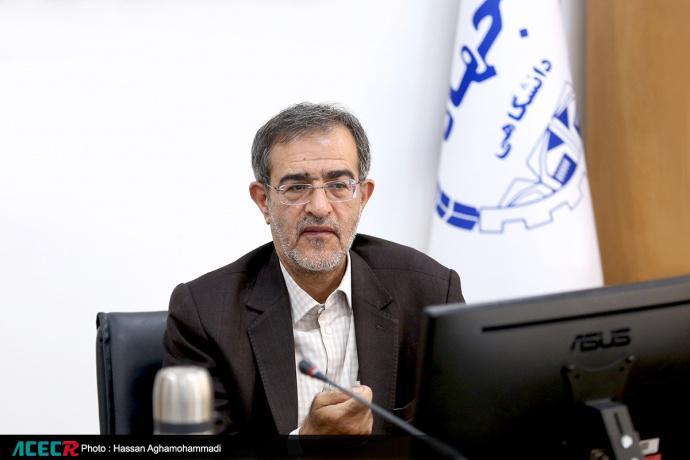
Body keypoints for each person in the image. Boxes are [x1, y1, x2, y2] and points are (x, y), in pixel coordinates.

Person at [162, 102, 464, 436]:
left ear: (363, 197)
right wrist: (303, 445)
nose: (320, 208)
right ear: (264, 201)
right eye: (296, 187)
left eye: (338, 185)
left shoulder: (431, 294)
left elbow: (464, 432)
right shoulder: (205, 314)